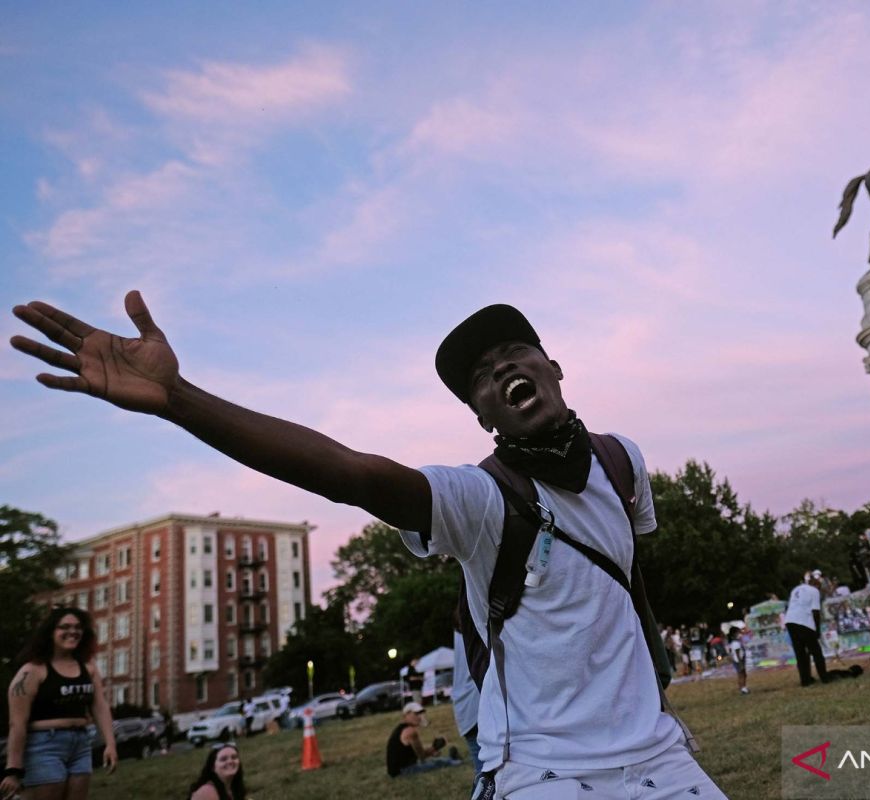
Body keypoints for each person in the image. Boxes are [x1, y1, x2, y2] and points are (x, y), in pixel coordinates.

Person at [10, 296, 723, 799]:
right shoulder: (478, 499)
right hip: (543, 771)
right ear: (479, 413)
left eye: (513, 354)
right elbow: (347, 472)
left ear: (552, 366)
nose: (502, 370)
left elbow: (627, 584)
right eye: (480, 377)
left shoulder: (622, 462)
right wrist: (181, 399)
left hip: (658, 754)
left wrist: (652, 689)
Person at [2, 607, 117, 800]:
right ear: (50, 633)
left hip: (81, 743)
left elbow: (100, 706)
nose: (72, 632)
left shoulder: (88, 666)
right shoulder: (32, 671)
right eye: (64, 627)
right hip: (44, 745)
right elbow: (17, 724)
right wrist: (13, 769)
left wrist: (110, 744)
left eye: (77, 627)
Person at [386, 703, 461, 778]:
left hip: (399, 770)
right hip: (403, 771)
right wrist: (434, 748)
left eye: (420, 713)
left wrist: (432, 749)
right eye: (416, 714)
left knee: (434, 761)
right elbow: (422, 756)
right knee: (437, 763)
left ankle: (451, 759)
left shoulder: (401, 729)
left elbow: (414, 752)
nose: (419, 717)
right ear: (407, 714)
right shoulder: (410, 732)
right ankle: (456, 761)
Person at [450, 610, 482, 776]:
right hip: (475, 707)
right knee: (487, 775)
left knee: (484, 775)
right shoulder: (476, 635)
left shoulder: (462, 639)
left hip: (466, 709)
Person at [784, 572, 829, 686]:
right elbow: (815, 611)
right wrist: (817, 630)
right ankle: (824, 677)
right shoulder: (814, 591)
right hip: (804, 621)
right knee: (816, 651)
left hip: (790, 621)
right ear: (817, 585)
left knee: (800, 653)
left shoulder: (796, 589)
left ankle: (805, 680)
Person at [726, 627, 749, 695]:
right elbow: (737, 654)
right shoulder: (736, 643)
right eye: (739, 632)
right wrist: (740, 663)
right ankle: (743, 688)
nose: (740, 634)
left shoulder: (734, 643)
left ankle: (742, 687)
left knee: (741, 674)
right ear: (734, 634)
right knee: (742, 675)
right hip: (739, 661)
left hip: (737, 661)